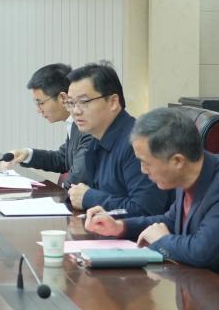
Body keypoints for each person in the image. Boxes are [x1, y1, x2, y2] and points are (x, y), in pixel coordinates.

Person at [85, 107, 219, 302]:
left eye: (146, 163)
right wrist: (120, 227)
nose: (142, 170)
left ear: (177, 161)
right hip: (213, 304)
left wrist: (162, 240)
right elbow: (170, 220)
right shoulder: (192, 175)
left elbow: (202, 251)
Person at [63, 61, 170, 215]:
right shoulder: (95, 140)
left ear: (113, 102)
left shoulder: (137, 144)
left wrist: (89, 197)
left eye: (84, 102)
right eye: (71, 103)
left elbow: (146, 209)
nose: (76, 111)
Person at [1, 62, 93, 185]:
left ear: (63, 98)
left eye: (41, 103)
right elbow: (63, 159)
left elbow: (78, 177)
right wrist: (27, 154)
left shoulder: (88, 126)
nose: (38, 110)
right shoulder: (73, 124)